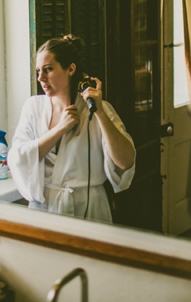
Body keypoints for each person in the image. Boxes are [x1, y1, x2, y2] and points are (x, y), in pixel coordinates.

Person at [7, 35, 136, 223]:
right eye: (38, 71)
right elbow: (18, 157)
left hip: (89, 208)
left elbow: (125, 162)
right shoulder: (32, 107)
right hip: (44, 209)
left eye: (48, 69)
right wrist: (60, 129)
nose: (40, 78)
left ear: (71, 69)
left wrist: (99, 111)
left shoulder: (99, 109)